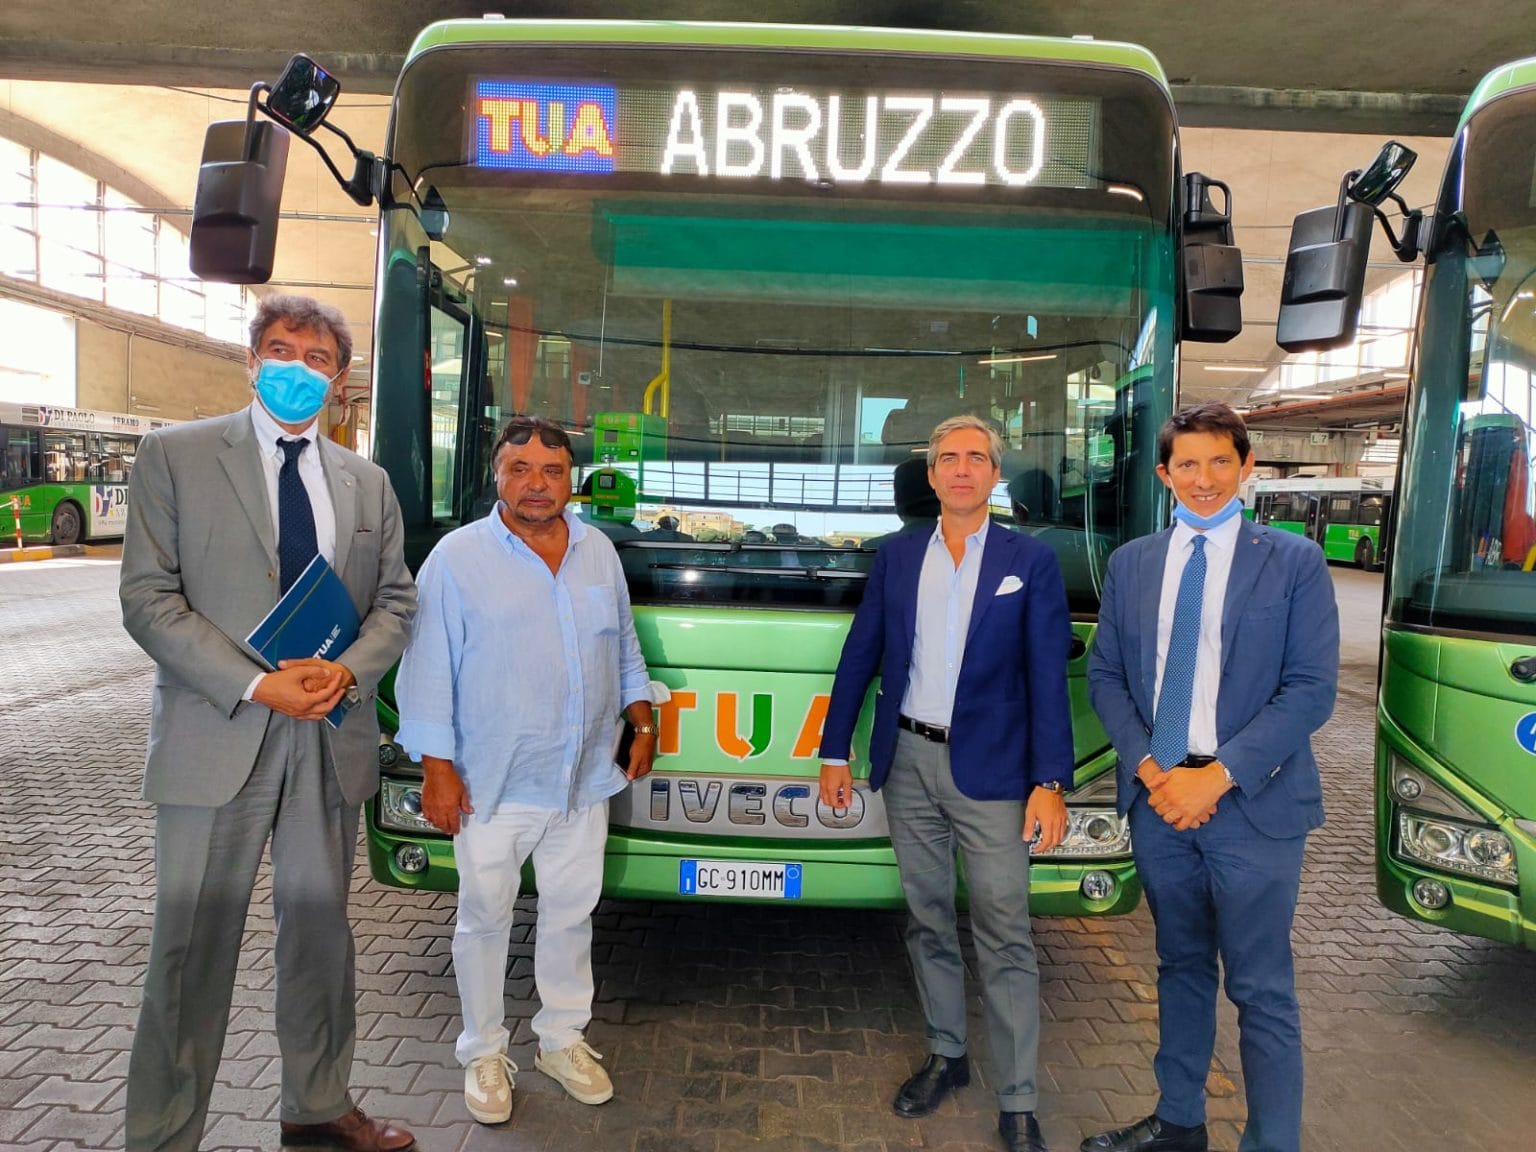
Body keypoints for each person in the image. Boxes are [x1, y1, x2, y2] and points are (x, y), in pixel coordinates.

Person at [118, 295, 418, 1152]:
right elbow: (147, 599)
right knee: (190, 947)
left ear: (340, 378)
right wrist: (256, 686)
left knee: (320, 937)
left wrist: (348, 672)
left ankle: (316, 1107)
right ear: (251, 361)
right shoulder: (176, 456)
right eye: (280, 350)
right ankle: (163, 1133)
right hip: (218, 734)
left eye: (316, 358)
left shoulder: (367, 483)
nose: (297, 368)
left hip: (327, 733)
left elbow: (396, 602)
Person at [1083, 403, 1339, 1152]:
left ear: (1247, 466)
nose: (1204, 479)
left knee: (1261, 988)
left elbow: (1311, 690)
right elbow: (1106, 677)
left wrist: (1217, 777)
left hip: (1253, 808)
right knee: (1180, 965)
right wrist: (1153, 769)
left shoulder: (1294, 562)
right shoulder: (1133, 564)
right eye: (1188, 465)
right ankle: (1179, 1122)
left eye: (1220, 461)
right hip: (1161, 802)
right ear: (1164, 475)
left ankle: (1272, 1142)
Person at [818, 414, 1073, 1152]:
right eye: (948, 459)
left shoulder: (1032, 560)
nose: (962, 469)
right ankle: (947, 1055)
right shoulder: (899, 556)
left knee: (1004, 929)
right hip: (908, 762)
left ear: (995, 473)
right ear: (930, 476)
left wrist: (1049, 781)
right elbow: (861, 654)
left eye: (976, 458)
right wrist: (835, 751)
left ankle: (1018, 1099)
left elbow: (1047, 678)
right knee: (928, 918)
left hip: (994, 773)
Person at [395, 414, 657, 1128]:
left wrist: (642, 720)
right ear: (497, 477)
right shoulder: (456, 558)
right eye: (520, 470)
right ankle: (483, 1050)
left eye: (552, 471)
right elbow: (427, 672)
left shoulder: (597, 550)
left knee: (571, 914)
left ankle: (561, 1039)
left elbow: (623, 645)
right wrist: (437, 771)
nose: (536, 484)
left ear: (572, 479)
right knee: (484, 917)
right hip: (491, 782)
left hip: (581, 778)